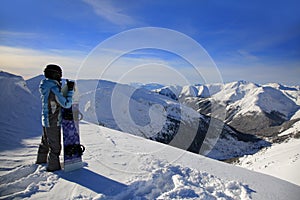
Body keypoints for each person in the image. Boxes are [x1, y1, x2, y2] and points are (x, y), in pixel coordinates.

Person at [36, 64, 75, 172]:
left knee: (45, 143)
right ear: (55, 75)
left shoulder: (45, 85)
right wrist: (70, 90)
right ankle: (53, 168)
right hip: (53, 120)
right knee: (55, 147)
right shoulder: (53, 88)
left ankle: (41, 161)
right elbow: (66, 104)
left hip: (46, 119)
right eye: (59, 75)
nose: (60, 77)